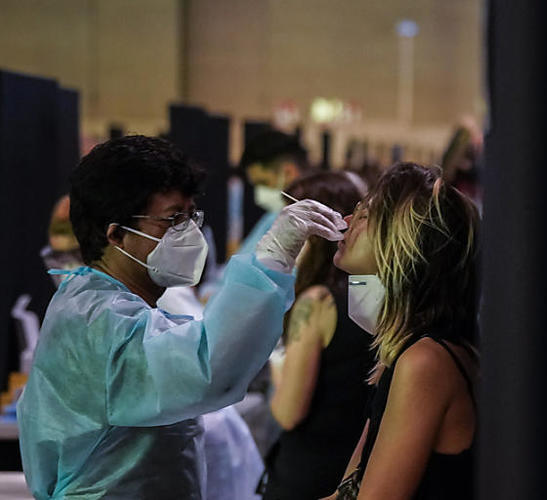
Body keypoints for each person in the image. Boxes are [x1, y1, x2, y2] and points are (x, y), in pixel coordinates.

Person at [17, 135, 346, 499]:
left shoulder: (117, 303)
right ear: (117, 235)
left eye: (191, 216)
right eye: (173, 218)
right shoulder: (96, 318)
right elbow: (206, 368)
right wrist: (272, 258)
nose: (188, 232)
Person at [330, 163, 479, 499]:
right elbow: (347, 490)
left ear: (402, 240)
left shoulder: (425, 360)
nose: (347, 222)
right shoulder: (407, 351)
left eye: (365, 214)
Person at [262, 171, 373, 499]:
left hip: (308, 477)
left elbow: (289, 411)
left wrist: (276, 365)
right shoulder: (372, 297)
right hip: (349, 471)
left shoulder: (318, 301)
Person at [236, 130, 311, 255]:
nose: (259, 194)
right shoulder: (274, 218)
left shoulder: (312, 223)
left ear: (288, 173)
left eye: (264, 183)